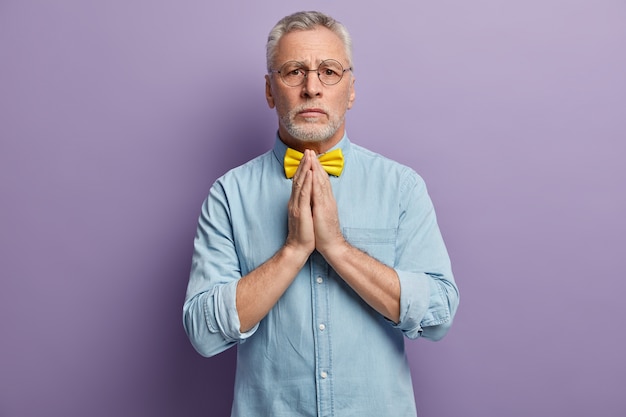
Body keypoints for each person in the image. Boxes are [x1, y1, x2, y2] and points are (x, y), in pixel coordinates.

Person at [183, 10, 459, 416]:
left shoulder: (402, 187)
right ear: (269, 90)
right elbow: (204, 332)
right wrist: (293, 249)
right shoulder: (229, 195)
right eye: (294, 71)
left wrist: (338, 249)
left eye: (329, 71)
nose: (312, 88)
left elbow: (439, 315)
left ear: (350, 89)